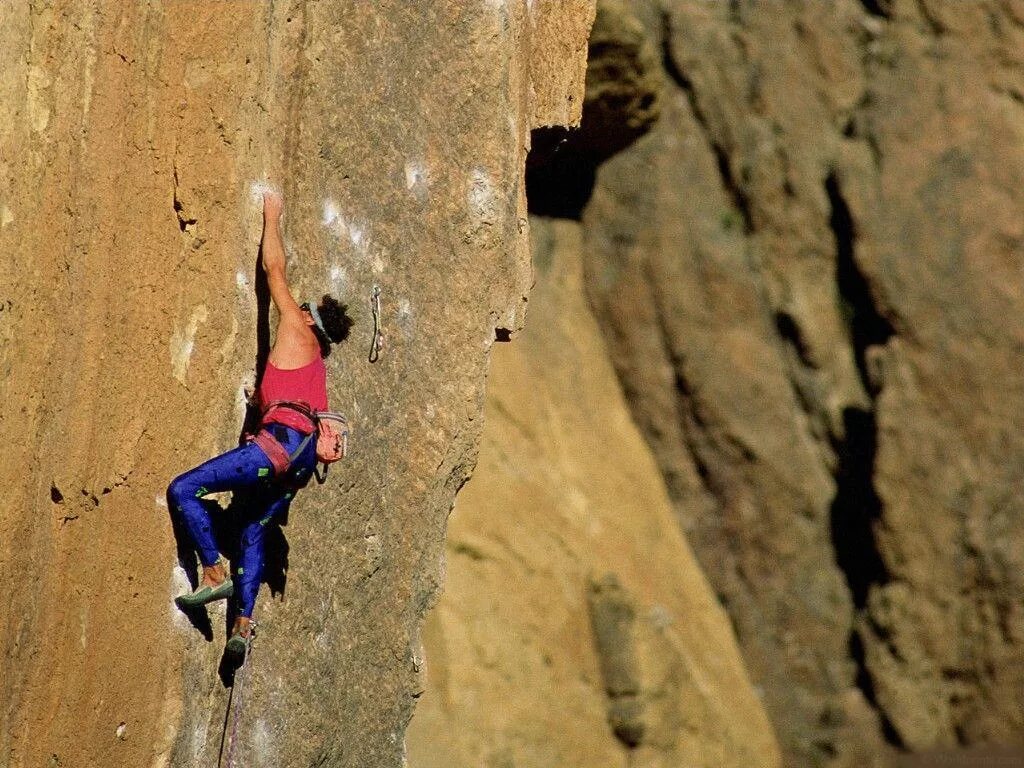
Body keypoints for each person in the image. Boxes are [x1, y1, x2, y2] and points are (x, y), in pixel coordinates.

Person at [169, 191, 353, 657]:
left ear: (311, 319)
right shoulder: (315, 372)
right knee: (252, 529)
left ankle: (212, 572)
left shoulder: (297, 325)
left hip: (277, 447)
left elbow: (274, 270)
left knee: (183, 490)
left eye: (304, 308)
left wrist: (272, 217)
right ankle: (243, 626)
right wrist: (261, 401)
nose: (298, 309)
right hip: (298, 459)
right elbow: (302, 415)